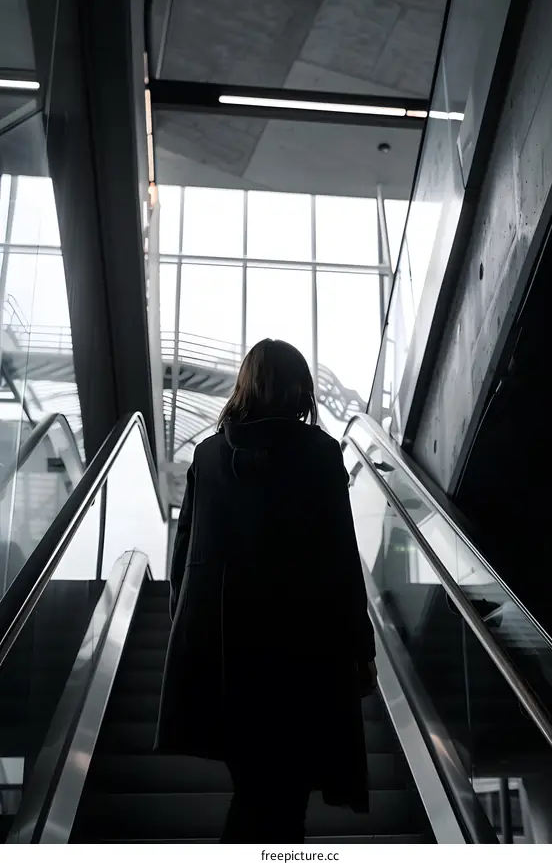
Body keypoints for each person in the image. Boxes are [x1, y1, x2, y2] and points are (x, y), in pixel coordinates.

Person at [155, 338, 377, 843]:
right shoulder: (320, 455)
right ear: (300, 389)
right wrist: (360, 649)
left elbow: (185, 555)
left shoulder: (209, 457)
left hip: (224, 656)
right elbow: (341, 561)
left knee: (255, 790)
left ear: (244, 385)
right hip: (301, 657)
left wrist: (184, 631)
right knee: (282, 800)